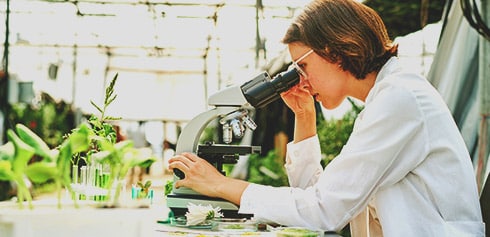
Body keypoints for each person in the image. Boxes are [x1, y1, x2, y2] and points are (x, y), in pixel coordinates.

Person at [168, 0, 485, 236]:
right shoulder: (385, 99)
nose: (299, 79)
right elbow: (323, 197)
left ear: (336, 51)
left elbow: (324, 210)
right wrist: (305, 118)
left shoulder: (400, 99)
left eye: (301, 67)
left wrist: (223, 185)